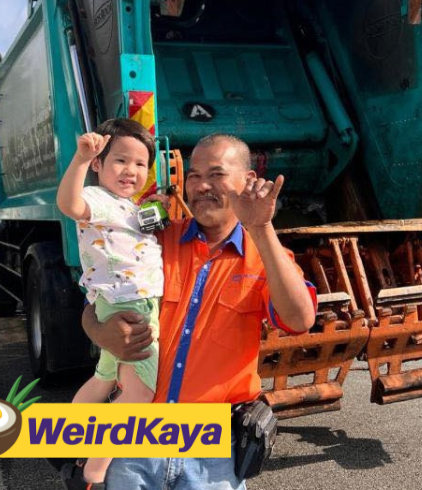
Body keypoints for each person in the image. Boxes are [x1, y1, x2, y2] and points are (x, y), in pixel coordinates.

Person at [73, 134, 318, 490]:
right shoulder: (153, 241)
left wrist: (262, 229)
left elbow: (300, 320)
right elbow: (95, 304)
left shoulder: (264, 258)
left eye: (216, 174)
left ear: (248, 180)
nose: (202, 186)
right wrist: (100, 332)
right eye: (194, 176)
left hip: (211, 454)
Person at [57, 119, 164, 487]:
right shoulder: (97, 198)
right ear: (99, 163)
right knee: (139, 393)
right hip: (128, 305)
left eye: (140, 164)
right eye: (120, 160)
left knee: (104, 379)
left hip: (119, 301)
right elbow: (69, 204)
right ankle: (94, 472)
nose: (130, 170)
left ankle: (69, 441)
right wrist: (79, 159)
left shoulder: (128, 206)